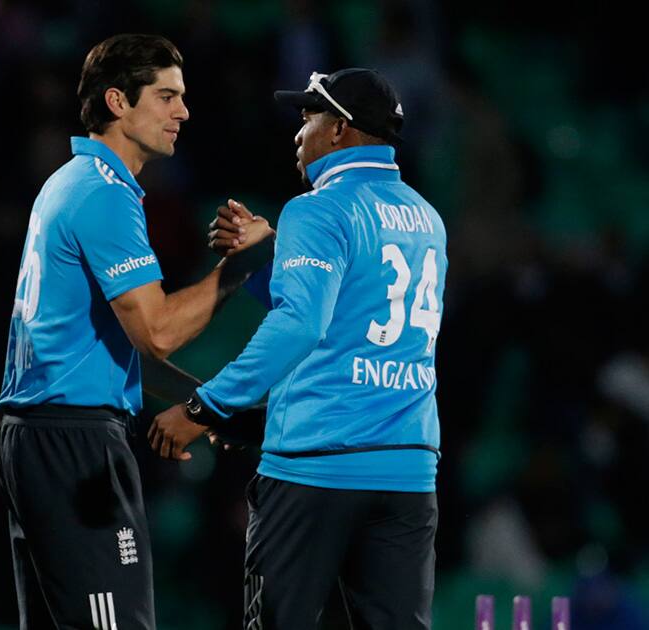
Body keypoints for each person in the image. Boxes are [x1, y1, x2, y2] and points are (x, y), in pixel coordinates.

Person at [151, 68, 447, 628]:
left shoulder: (316, 209)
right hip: (407, 474)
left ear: (339, 130)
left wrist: (204, 408)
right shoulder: (427, 219)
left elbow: (300, 324)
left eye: (309, 115)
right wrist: (271, 257)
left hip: (316, 469)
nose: (298, 130)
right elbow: (347, 318)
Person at [0, 34, 271, 630]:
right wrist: (242, 268)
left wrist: (206, 407)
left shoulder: (69, 183)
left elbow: (116, 350)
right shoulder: (103, 194)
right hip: (76, 447)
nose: (183, 112)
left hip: (41, 438)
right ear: (118, 101)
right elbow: (158, 334)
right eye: (167, 96)